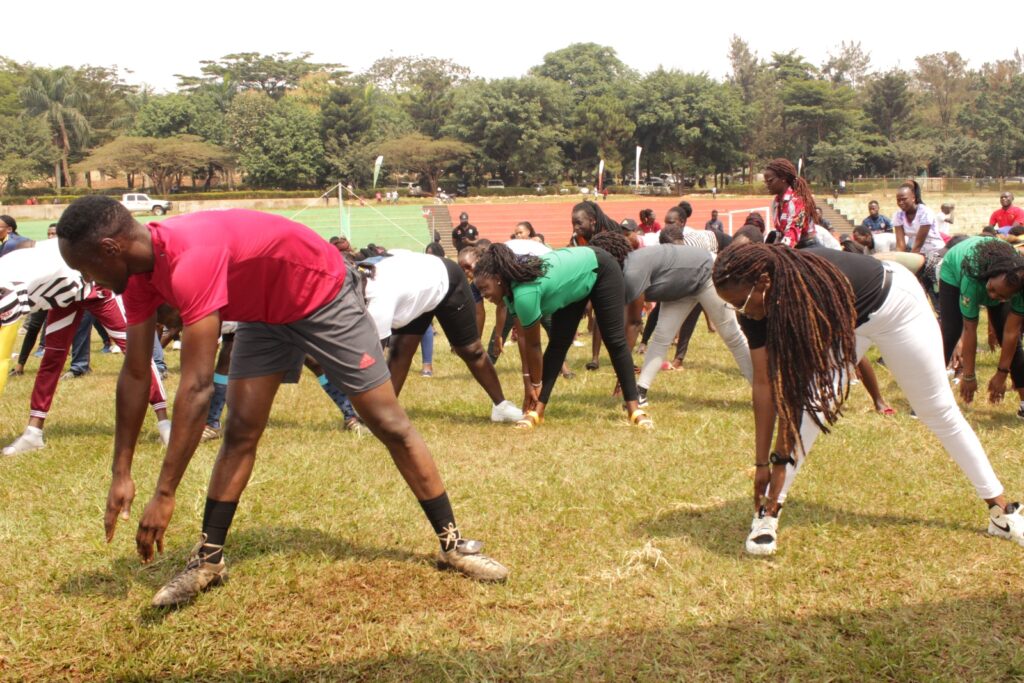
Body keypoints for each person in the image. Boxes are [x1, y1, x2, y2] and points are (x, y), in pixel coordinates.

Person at [56, 198, 508, 608]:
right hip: (263, 313)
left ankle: (454, 545)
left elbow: (195, 388)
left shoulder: (188, 259)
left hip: (322, 295)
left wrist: (165, 493)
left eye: (85, 267)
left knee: (389, 423)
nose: (86, 280)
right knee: (240, 431)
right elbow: (136, 372)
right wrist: (122, 472)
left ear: (110, 248)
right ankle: (209, 560)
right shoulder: (137, 277)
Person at [712, 242, 1024, 555]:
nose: (742, 312)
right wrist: (760, 463)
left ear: (763, 283)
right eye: (733, 306)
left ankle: (1000, 512)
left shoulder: (808, 293)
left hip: (895, 304)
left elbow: (792, 396)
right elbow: (764, 384)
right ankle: (768, 512)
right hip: (849, 317)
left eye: (741, 303)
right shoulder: (754, 305)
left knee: (938, 411)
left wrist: (777, 460)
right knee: (813, 409)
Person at [0, 238, 171, 455]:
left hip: (94, 288)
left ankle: (164, 423)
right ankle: (33, 432)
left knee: (136, 352)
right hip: (62, 296)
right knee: (52, 358)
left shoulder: (14, 284)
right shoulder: (17, 270)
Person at [473, 240, 652, 430]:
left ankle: (634, 408)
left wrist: (536, 384)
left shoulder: (525, 294)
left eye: (484, 288)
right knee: (558, 343)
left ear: (498, 278)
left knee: (614, 339)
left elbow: (534, 346)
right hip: (572, 281)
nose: (483, 294)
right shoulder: (509, 294)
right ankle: (537, 411)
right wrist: (529, 384)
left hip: (600, 268)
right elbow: (523, 339)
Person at [360, 251, 522, 423]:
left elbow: (371, 361)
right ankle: (384, 414)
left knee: (470, 350)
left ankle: (501, 406)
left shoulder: (378, 299)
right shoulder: (362, 289)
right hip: (414, 291)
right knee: (400, 350)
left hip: (445, 280)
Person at [596, 233, 752, 405]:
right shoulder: (626, 269)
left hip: (706, 272)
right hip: (680, 285)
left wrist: (623, 378)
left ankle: (763, 388)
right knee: (662, 337)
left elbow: (633, 323)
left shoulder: (632, 272)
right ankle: (640, 391)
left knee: (732, 336)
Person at [937, 236, 1024, 416]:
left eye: (1000, 296)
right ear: (990, 276)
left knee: (1013, 344)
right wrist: (969, 375)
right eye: (992, 289)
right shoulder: (972, 278)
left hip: (999, 281)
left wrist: (1002, 374)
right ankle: (927, 397)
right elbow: (970, 330)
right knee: (950, 333)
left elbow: (1011, 333)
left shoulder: (1019, 287)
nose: (991, 297)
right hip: (954, 273)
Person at [763, 159, 819, 248]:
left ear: (783, 178)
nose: (767, 185)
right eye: (765, 182)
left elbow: (793, 234)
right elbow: (780, 233)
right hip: (788, 246)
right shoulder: (775, 203)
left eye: (770, 181)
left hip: (807, 246)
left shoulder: (797, 201)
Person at [893, 180, 943, 254]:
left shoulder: (925, 212)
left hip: (933, 251)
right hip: (914, 251)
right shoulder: (898, 215)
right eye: (898, 200)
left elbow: (918, 245)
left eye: (904, 199)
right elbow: (900, 245)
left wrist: (910, 261)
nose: (900, 203)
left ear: (913, 198)